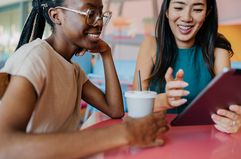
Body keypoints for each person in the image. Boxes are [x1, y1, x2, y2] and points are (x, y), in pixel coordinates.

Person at [0, 0, 169, 158]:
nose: (99, 22)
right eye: (90, 12)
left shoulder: (73, 70)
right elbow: (4, 146)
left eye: (101, 14)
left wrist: (106, 54)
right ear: (56, 16)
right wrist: (125, 133)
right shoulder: (35, 59)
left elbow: (115, 109)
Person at [133, 0, 241, 134]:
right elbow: (135, 108)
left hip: (206, 143)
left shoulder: (218, 50)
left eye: (197, 10)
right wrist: (165, 100)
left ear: (207, 13)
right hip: (161, 137)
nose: (186, 18)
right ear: (166, 11)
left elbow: (227, 108)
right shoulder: (150, 45)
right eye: (178, 7)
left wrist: (234, 120)